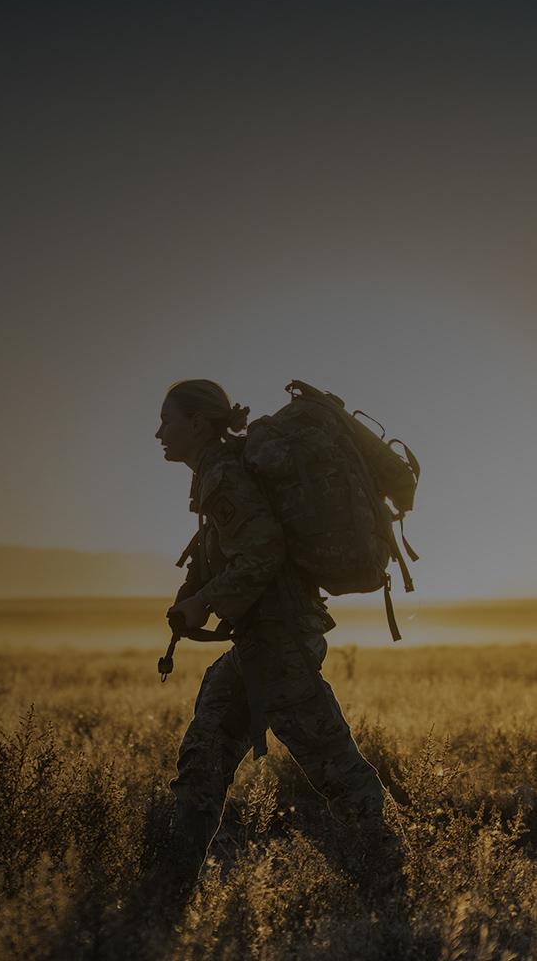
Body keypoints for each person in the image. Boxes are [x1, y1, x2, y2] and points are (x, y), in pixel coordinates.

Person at [155, 378, 390, 891]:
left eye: (167, 420)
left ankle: (393, 880)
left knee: (336, 769)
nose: (159, 433)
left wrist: (205, 601)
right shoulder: (216, 472)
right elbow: (228, 546)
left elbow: (263, 550)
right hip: (260, 644)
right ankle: (168, 887)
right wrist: (195, 589)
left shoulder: (222, 471)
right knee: (204, 755)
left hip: (279, 643)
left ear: (197, 422)